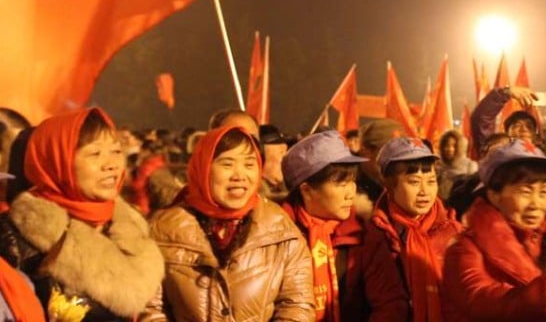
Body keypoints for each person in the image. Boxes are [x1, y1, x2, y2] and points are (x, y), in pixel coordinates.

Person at [0, 108, 165, 321]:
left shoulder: (131, 226)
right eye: (95, 153)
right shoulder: (16, 236)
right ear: (56, 160)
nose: (111, 165)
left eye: (116, 151)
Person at [142, 125, 315, 321]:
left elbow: (297, 306)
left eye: (249, 164)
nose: (239, 175)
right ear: (204, 168)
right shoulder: (162, 230)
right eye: (227, 164)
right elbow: (150, 308)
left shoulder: (282, 230)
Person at [442, 139, 546, 321]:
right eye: (525, 192)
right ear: (494, 196)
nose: (536, 204)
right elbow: (484, 302)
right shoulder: (464, 249)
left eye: (543, 192)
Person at [280, 130, 408, 321]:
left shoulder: (364, 234)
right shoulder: (276, 237)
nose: (351, 192)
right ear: (307, 191)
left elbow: (390, 304)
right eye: (341, 183)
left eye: (352, 181)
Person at [370, 137, 462, 322]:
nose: (424, 191)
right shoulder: (375, 235)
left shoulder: (454, 233)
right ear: (389, 184)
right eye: (414, 182)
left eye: (431, 181)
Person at [436, 129, 477, 200]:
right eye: (447, 145)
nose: (450, 149)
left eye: (454, 146)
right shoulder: (438, 166)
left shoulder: (470, 166)